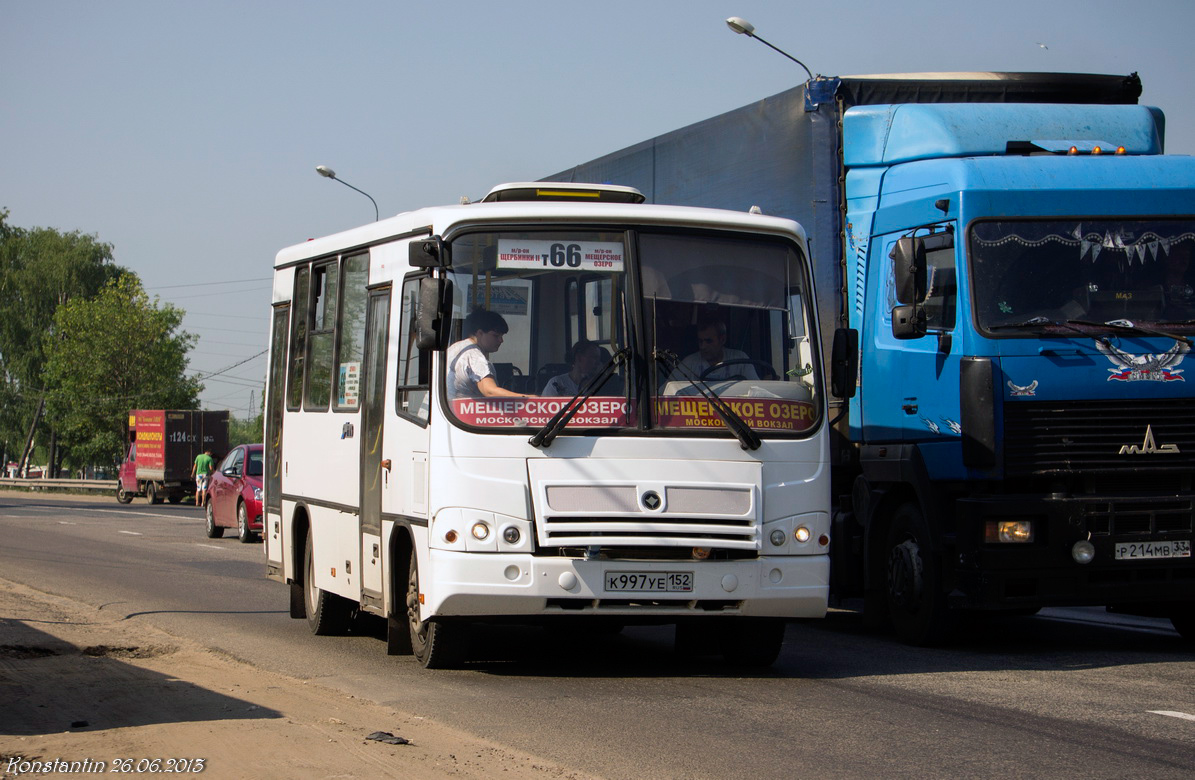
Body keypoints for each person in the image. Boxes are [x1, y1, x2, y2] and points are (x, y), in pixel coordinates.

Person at [446, 309, 531, 400]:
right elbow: (490, 391)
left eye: (501, 336)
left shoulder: (455, 348)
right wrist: (528, 398)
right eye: (495, 335)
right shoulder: (475, 356)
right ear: (480, 333)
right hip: (466, 412)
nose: (501, 340)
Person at [670, 316, 758, 383]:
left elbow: (756, 390)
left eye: (708, 341)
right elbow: (665, 392)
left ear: (722, 339)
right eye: (700, 341)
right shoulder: (689, 363)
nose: (702, 346)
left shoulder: (740, 360)